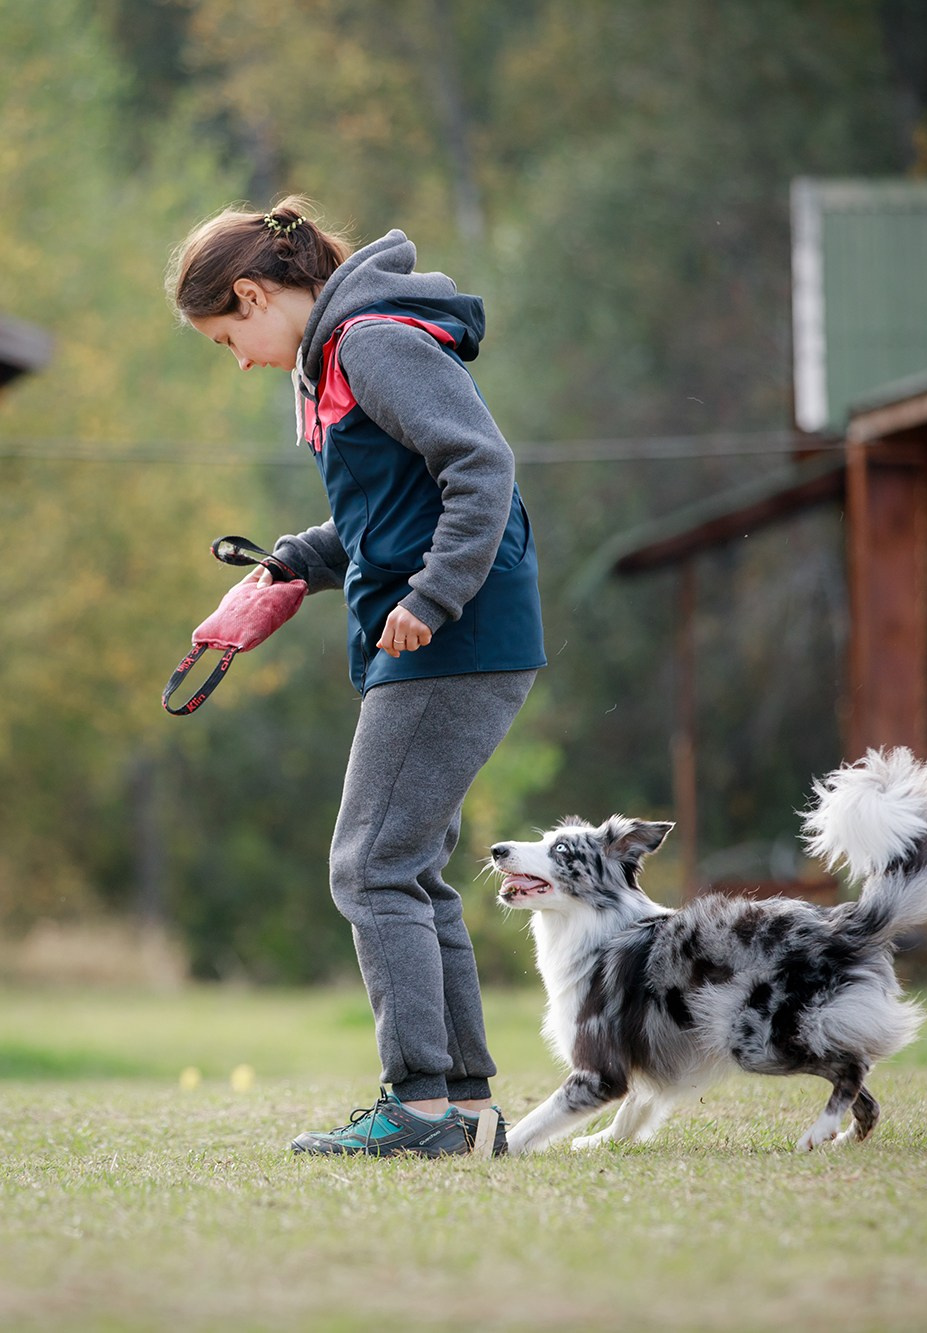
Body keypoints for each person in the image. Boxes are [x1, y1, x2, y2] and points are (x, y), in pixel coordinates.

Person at [167, 198, 546, 1156]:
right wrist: (290, 565)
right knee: (408, 865)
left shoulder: (370, 343)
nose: (241, 360)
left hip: (450, 636)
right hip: (455, 632)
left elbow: (480, 465)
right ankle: (461, 1107)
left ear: (254, 294)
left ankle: (416, 1106)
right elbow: (395, 512)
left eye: (227, 338)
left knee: (369, 862)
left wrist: (432, 597)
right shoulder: (342, 354)